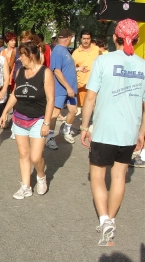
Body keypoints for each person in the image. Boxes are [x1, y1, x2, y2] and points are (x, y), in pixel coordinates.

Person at [80, 18, 145, 246]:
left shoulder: (103, 61)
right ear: (135, 40)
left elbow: (90, 97)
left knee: (98, 177)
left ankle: (105, 219)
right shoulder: (143, 65)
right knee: (119, 177)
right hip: (128, 130)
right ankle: (111, 219)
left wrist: (84, 125)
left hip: (104, 130)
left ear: (115, 37)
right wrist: (142, 132)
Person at [0, 41, 54, 199]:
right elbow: (15, 94)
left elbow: (50, 99)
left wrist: (47, 123)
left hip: (38, 119)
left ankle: (41, 176)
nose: (20, 58)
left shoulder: (45, 73)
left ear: (30, 55)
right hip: (19, 117)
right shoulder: (20, 72)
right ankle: (25, 186)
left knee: (36, 157)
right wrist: (5, 112)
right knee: (24, 154)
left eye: (22, 55)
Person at [46, 29, 77, 150]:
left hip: (71, 89)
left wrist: (78, 70)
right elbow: (57, 71)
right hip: (60, 89)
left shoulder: (65, 51)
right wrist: (68, 87)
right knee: (55, 113)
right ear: (68, 38)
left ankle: (66, 130)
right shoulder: (58, 51)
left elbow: (65, 68)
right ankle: (49, 137)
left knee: (73, 111)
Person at [72, 30, 100, 116]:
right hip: (83, 85)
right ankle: (84, 126)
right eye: (84, 38)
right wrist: (78, 68)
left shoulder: (97, 50)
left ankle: (96, 125)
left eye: (88, 38)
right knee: (85, 107)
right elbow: (71, 69)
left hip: (97, 83)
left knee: (97, 106)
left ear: (91, 39)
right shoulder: (76, 53)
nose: (86, 41)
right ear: (81, 39)